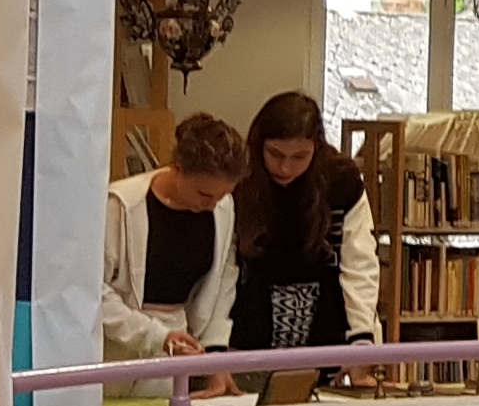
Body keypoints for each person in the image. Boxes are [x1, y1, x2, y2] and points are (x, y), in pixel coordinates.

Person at [226, 92, 379, 358]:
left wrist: (362, 338)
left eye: (299, 157)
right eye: (275, 154)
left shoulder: (342, 181)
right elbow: (224, 270)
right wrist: (215, 343)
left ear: (316, 149)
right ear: (258, 145)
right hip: (246, 339)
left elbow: (359, 265)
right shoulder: (238, 181)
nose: (285, 168)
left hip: (328, 337)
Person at [104, 113, 244, 369]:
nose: (212, 204)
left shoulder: (222, 209)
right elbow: (94, 292)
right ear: (177, 168)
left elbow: (222, 281)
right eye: (204, 194)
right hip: (116, 344)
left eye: (222, 195)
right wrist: (156, 335)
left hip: (180, 342)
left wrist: (215, 350)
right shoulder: (122, 204)